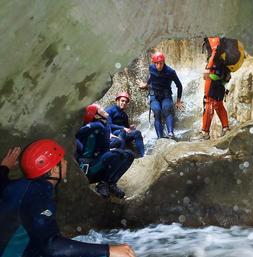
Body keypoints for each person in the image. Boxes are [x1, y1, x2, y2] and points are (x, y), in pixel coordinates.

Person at [0, 139, 136, 257]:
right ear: (53, 170)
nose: (66, 163)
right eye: (62, 160)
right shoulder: (38, 196)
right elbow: (50, 246)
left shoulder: (17, 186)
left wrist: (5, 167)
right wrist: (108, 251)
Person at [76, 104, 134, 199]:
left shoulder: (103, 124)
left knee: (129, 154)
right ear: (96, 115)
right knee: (118, 154)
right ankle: (102, 185)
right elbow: (82, 132)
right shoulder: (95, 126)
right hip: (89, 169)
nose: (103, 109)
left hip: (98, 164)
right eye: (100, 109)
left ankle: (109, 183)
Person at [195, 37, 245, 140]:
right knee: (218, 103)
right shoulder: (224, 38)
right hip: (223, 74)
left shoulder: (214, 36)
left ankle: (205, 132)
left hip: (214, 72)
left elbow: (215, 50)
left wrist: (208, 68)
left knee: (208, 101)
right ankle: (225, 128)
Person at [139, 51, 184, 139]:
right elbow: (151, 77)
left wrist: (178, 101)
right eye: (157, 63)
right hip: (154, 95)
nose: (159, 66)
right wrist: (146, 84)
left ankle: (171, 133)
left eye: (161, 63)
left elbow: (179, 85)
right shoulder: (151, 67)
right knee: (157, 111)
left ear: (164, 62)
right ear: (154, 63)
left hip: (165, 95)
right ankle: (160, 138)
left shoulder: (170, 71)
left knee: (166, 109)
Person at [106, 92, 145, 157]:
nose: (124, 103)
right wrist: (123, 128)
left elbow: (127, 128)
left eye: (126, 102)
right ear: (117, 101)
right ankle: (121, 155)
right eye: (122, 101)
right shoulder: (110, 110)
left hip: (122, 134)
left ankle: (143, 155)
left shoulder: (124, 115)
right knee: (122, 131)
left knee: (137, 133)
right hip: (113, 134)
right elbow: (109, 125)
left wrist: (130, 128)